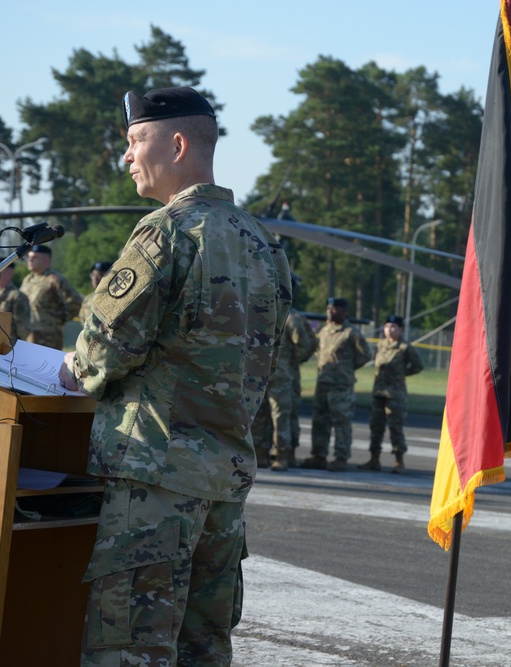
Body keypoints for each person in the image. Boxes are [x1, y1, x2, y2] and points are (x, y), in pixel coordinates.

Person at [57, 86, 292, 666]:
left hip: (156, 482)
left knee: (132, 650)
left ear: (178, 143)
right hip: (224, 488)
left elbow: (98, 352)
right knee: (202, 651)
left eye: (137, 140)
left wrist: (67, 366)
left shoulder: (165, 232)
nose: (128, 156)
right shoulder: (265, 244)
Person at [253, 273, 317, 472]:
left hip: (280, 376)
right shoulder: (260, 312)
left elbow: (305, 346)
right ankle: (260, 453)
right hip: (260, 373)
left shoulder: (292, 318)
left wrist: (290, 362)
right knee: (259, 414)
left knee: (280, 416)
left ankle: (282, 454)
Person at [301, 296, 371, 472]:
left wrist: (347, 368)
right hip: (323, 382)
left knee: (341, 422)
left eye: (335, 309)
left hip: (340, 385)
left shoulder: (350, 333)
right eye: (328, 309)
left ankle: (341, 457)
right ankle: (319, 455)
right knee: (319, 420)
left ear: (344, 312)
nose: (330, 312)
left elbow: (366, 355)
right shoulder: (324, 331)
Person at [358, 314, 423, 474]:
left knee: (395, 428)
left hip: (395, 395)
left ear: (401, 329)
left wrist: (401, 375)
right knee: (376, 426)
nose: (390, 330)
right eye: (387, 326)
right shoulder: (380, 345)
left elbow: (418, 366)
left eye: (394, 327)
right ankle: (374, 459)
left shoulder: (405, 347)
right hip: (379, 392)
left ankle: (398, 461)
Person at [20, 243, 82, 349]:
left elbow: (75, 301)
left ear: (46, 261)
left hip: (48, 338)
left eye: (34, 258)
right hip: (27, 336)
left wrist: (58, 320)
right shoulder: (28, 279)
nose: (30, 260)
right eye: (29, 257)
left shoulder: (55, 279)